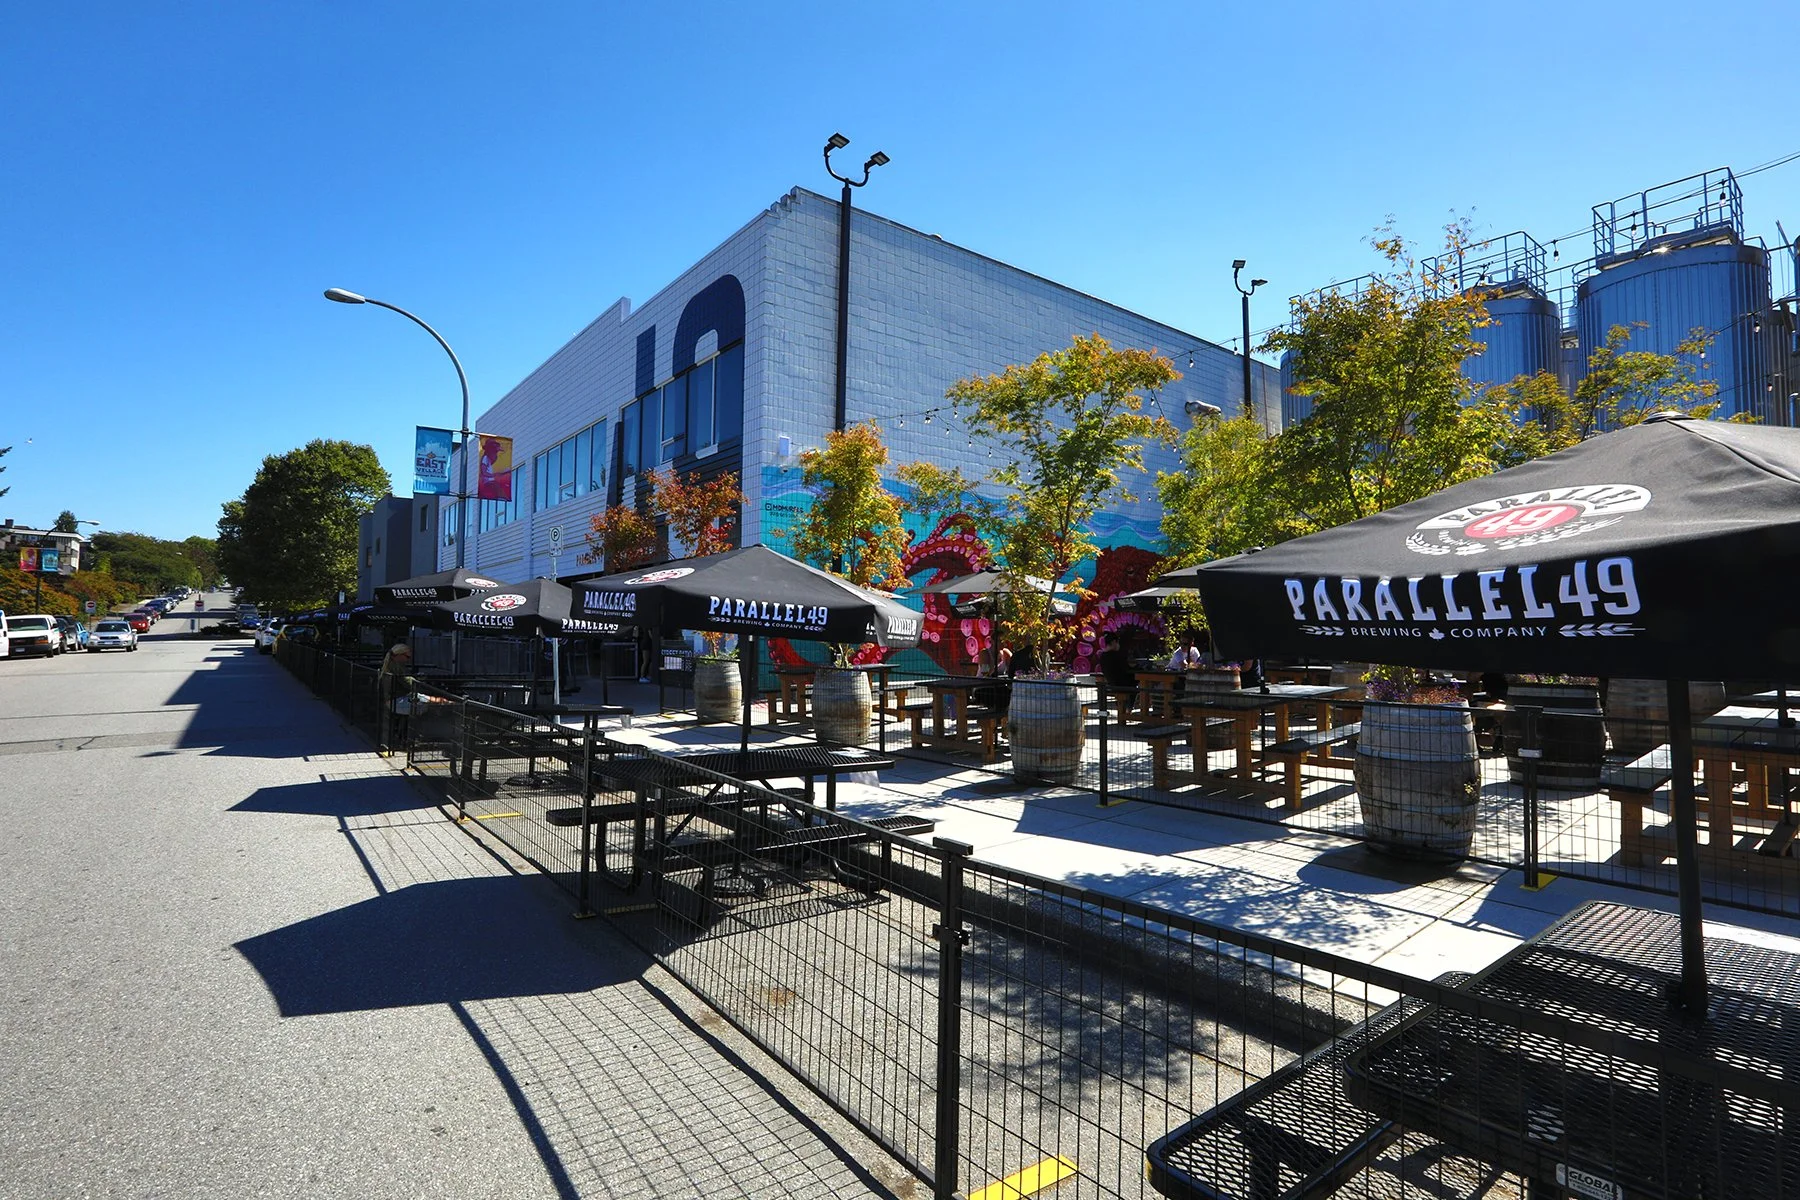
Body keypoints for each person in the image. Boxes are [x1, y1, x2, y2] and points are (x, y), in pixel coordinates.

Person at [376, 642, 415, 756]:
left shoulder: (388, 666)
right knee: (426, 705)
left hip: (391, 701)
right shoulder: (397, 668)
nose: (408, 660)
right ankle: (407, 740)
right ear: (399, 655)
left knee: (422, 702)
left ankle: (404, 738)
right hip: (395, 702)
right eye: (407, 657)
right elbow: (408, 684)